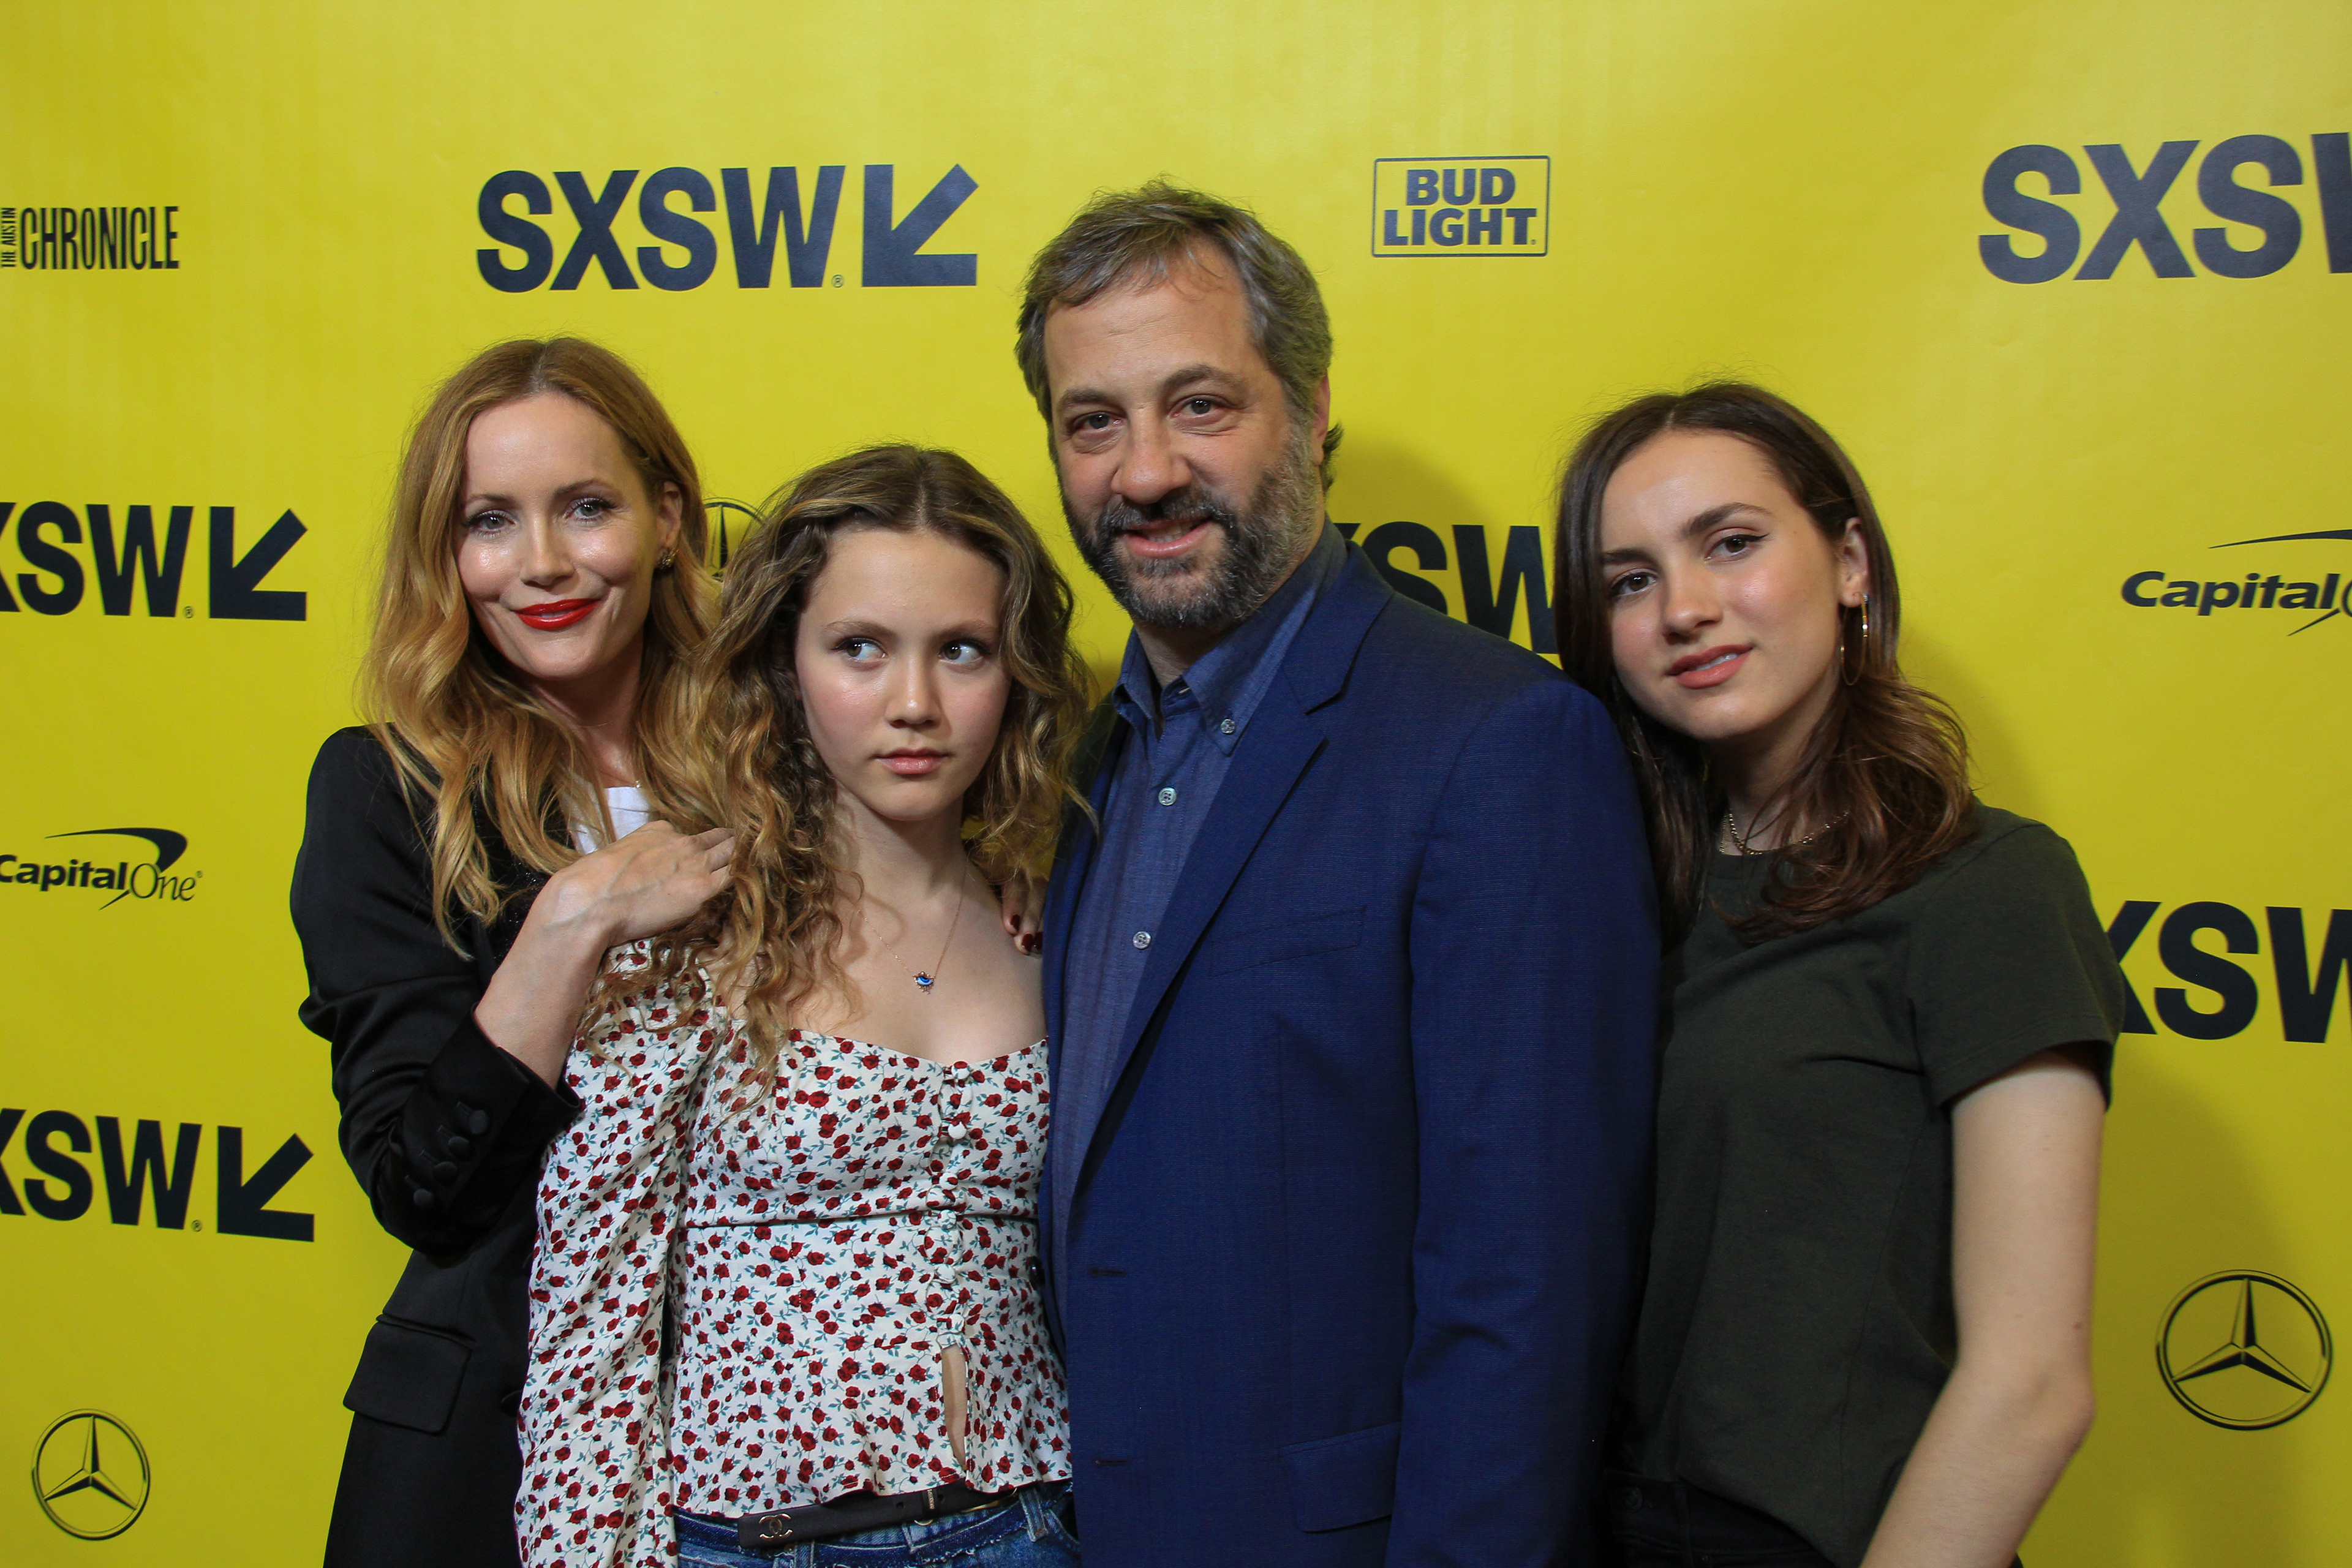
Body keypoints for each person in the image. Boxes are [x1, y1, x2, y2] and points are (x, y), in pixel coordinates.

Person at [1017, 183, 1659, 1567]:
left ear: (1311, 412)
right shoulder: (1072, 762)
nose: (1142, 472)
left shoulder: (1499, 743)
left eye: (1202, 405)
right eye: (1093, 421)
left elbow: (1528, 1288)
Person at [1551, 382, 2122, 1568]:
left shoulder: (1988, 887)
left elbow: (2031, 1382)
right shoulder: (1605, 898)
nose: (1687, 609)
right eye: (1631, 579)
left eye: (1733, 543)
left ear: (1850, 560)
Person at [515, 444, 1092, 1568]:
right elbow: (591, 1320)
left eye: (962, 651)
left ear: (1013, 672)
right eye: (861, 648)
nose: (915, 704)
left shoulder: (1070, 927)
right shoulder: (690, 934)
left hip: (1028, 1532)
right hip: (756, 1543)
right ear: (788, 665)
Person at [291, 338, 734, 1568]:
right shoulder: (387, 789)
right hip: (483, 1452)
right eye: (491, 521)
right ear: (449, 555)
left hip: (763, 1437)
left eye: (586, 507)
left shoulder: (784, 764)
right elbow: (424, 1187)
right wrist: (572, 919)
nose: (541, 563)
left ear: (667, 517)